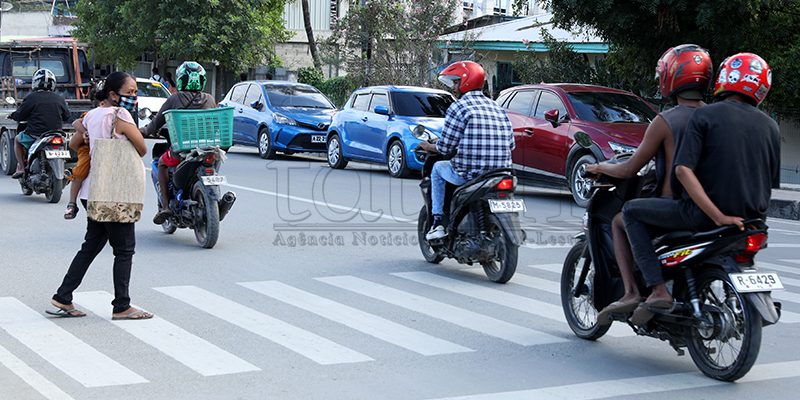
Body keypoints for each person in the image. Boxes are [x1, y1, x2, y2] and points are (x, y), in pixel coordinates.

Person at [624, 53, 780, 325]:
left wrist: (718, 216)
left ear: (725, 77)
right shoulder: (771, 127)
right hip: (752, 223)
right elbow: (769, 182)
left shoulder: (705, 115)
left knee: (630, 212)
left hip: (702, 217)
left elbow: (683, 171)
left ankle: (657, 289)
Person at [588, 44, 713, 323]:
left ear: (672, 77)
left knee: (621, 219)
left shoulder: (665, 121)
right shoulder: (716, 117)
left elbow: (629, 168)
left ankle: (634, 291)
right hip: (711, 208)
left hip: (674, 207)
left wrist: (599, 167)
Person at [48, 71, 152, 320]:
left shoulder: (92, 115)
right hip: (115, 191)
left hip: (91, 191)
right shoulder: (121, 114)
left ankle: (63, 296)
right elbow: (142, 148)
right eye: (129, 92)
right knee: (124, 250)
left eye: (135, 92)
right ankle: (122, 306)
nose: (133, 96)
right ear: (113, 95)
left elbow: (74, 144)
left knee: (91, 245)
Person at [417, 61, 515, 240]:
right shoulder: (497, 108)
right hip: (501, 172)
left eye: (456, 82)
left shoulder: (459, 107)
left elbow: (445, 147)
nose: (454, 87)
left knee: (437, 168)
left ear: (466, 81)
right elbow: (511, 144)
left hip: (471, 173)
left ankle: (437, 223)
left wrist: (428, 146)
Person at [142, 61, 217, 224]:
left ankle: (165, 207)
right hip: (208, 149)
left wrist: (143, 131)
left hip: (182, 150)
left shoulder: (175, 98)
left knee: (161, 164)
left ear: (181, 79)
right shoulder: (210, 99)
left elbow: (156, 123)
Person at [9, 69, 70, 179]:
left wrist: (12, 115)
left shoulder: (31, 98)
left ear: (35, 83)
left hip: (35, 134)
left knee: (17, 140)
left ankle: (21, 167)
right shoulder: (60, 98)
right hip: (56, 134)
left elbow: (20, 115)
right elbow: (67, 116)